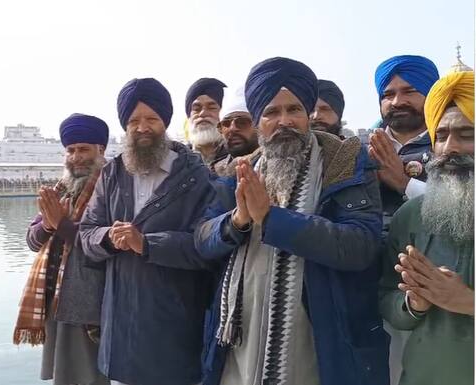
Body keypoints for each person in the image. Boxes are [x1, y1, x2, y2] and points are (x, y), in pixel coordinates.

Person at [194, 57, 389, 385]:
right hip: (239, 349)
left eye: (294, 110)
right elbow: (202, 238)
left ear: (308, 114)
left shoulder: (345, 161)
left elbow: (361, 245)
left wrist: (272, 219)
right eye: (271, 112)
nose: (284, 121)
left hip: (319, 348)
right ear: (257, 122)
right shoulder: (236, 172)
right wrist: (239, 219)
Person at [79, 78, 215, 385]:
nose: (142, 128)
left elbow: (207, 245)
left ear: (164, 122)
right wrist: (107, 238)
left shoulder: (195, 175)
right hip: (122, 333)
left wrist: (147, 244)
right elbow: (86, 234)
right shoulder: (112, 173)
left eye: (151, 119)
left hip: (174, 329)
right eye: (134, 121)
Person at [379, 70, 474, 385]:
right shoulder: (412, 215)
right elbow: (386, 296)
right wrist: (412, 304)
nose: (450, 148)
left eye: (466, 134)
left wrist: (467, 301)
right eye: (441, 135)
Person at [15, 113, 110, 385]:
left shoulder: (112, 187)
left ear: (100, 150)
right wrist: (48, 223)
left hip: (91, 302)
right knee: (65, 375)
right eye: (70, 150)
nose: (76, 157)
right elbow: (33, 241)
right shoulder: (60, 189)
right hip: (56, 298)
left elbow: (107, 243)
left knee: (90, 374)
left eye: (83, 150)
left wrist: (62, 224)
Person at [368, 55, 440, 222]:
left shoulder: (451, 143)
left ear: (431, 96)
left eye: (409, 91)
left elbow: (463, 207)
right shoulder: (362, 148)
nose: (397, 102)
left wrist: (403, 182)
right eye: (388, 94)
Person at [212, 86, 259, 176]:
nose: (232, 128)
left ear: (259, 125)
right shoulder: (213, 172)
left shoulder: (274, 165)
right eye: (226, 123)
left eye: (242, 122)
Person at [186, 77, 228, 167]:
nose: (203, 113)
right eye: (197, 109)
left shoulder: (238, 156)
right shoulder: (178, 160)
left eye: (212, 108)